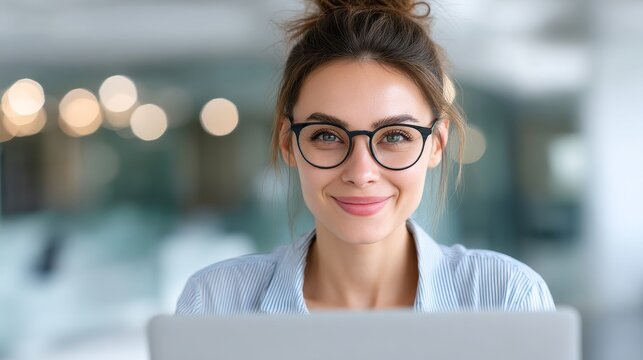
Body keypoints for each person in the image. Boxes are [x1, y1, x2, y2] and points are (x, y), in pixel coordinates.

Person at [176, 0, 555, 315]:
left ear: (436, 145)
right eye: (326, 136)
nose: (361, 172)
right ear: (288, 144)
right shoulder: (215, 303)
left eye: (394, 136)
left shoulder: (507, 299)